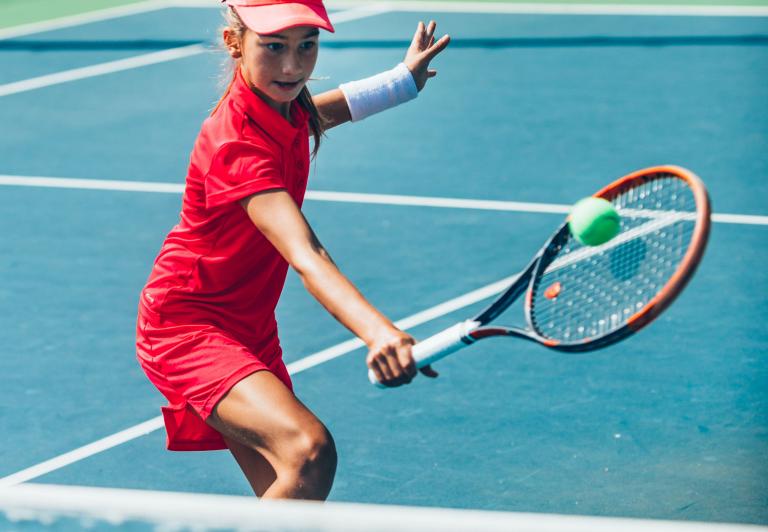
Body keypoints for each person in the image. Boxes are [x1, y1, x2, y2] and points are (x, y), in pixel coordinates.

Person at [136, 0, 450, 501]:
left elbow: (321, 113)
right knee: (308, 451)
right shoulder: (235, 145)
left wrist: (401, 82)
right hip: (189, 326)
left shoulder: (281, 105)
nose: (293, 65)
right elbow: (306, 254)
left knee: (292, 495)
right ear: (235, 44)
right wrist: (378, 332)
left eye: (307, 45)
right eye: (274, 46)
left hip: (247, 324)